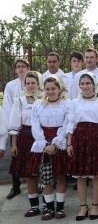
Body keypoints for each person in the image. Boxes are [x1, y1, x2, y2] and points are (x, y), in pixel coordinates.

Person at [66, 72, 98, 221]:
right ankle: (83, 206)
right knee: (80, 175)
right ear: (79, 86)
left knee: (96, 174)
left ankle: (94, 205)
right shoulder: (74, 103)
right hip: (79, 139)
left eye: (88, 83)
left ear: (94, 84)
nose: (85, 86)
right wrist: (69, 143)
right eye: (82, 84)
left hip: (96, 139)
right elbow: (71, 124)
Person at [28, 75, 70, 220]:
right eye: (47, 89)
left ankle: (60, 208)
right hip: (43, 143)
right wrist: (44, 143)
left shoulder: (66, 105)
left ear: (59, 89)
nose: (50, 91)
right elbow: (35, 125)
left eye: (53, 88)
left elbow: (67, 125)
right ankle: (49, 208)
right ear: (43, 90)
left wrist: (55, 143)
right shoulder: (38, 105)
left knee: (60, 176)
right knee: (46, 177)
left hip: (59, 142)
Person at [8, 71, 43, 217]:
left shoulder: (44, 99)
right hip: (26, 138)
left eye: (33, 83)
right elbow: (15, 124)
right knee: (30, 175)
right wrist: (14, 144)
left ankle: (49, 205)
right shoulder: (20, 101)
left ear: (38, 83)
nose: (30, 86)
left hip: (42, 137)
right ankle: (34, 206)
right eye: (27, 83)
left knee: (45, 173)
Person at [3, 58, 30, 200]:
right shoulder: (10, 85)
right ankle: (16, 186)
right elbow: (8, 107)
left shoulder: (33, 83)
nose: (20, 69)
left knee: (33, 156)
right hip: (16, 128)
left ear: (28, 68)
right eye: (18, 67)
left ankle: (38, 185)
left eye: (23, 66)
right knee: (15, 157)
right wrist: (13, 127)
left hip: (30, 127)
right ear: (15, 70)